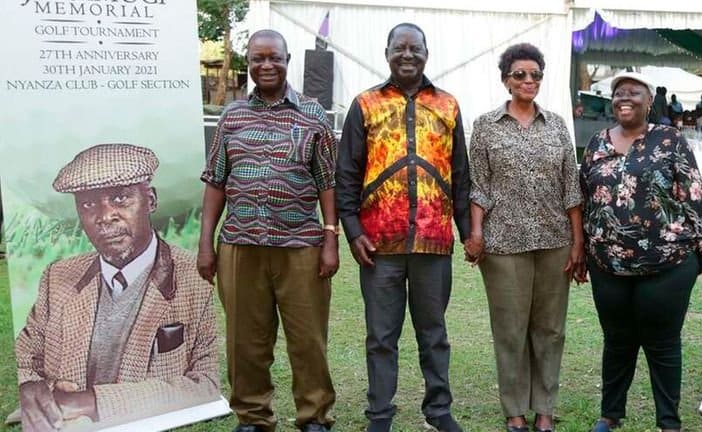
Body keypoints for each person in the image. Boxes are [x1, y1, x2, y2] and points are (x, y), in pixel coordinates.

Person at [15, 144, 219, 431]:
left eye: (120, 197)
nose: (105, 216)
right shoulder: (58, 276)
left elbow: (207, 383)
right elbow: (25, 358)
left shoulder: (195, 277)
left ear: (150, 200)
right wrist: (30, 386)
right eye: (88, 204)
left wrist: (93, 402)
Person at [199, 29, 340, 432]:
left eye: (274, 57)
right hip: (240, 245)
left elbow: (327, 182)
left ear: (287, 60)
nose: (266, 65)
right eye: (258, 58)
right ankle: (253, 417)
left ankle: (314, 416)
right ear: (248, 63)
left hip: (301, 246)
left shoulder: (312, 114)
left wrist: (330, 238)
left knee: (307, 338)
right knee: (245, 340)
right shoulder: (232, 116)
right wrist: (206, 244)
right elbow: (216, 182)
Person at [336, 23, 470, 432]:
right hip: (379, 245)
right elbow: (347, 174)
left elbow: (460, 176)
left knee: (434, 334)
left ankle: (439, 411)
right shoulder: (365, 105)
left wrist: (468, 233)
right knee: (381, 337)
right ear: (387, 53)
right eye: (399, 48)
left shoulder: (447, 105)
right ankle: (380, 415)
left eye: (415, 48)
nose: (407, 55)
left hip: (433, 242)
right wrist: (353, 231)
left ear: (427, 53)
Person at [580, 71, 702, 432]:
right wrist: (581, 250)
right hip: (607, 264)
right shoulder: (597, 143)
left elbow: (693, 194)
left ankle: (668, 422)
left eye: (634, 93)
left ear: (649, 102)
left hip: (667, 263)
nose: (624, 98)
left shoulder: (669, 140)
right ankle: (610, 415)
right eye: (618, 93)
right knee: (617, 342)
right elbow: (585, 199)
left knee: (662, 344)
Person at [466, 43, 584, 432]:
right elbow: (479, 185)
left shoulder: (557, 126)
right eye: (520, 74)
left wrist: (578, 242)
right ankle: (515, 409)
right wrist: (476, 234)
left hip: (555, 241)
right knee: (510, 329)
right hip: (503, 244)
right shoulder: (486, 126)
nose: (528, 80)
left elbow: (571, 188)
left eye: (535, 74)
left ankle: (545, 408)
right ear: (506, 80)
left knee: (550, 329)